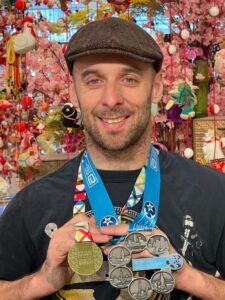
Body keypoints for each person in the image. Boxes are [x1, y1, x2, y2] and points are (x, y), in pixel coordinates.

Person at [0, 17, 225, 300]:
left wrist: (189, 278)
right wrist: (40, 281)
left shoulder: (215, 194)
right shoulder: (30, 205)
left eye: (129, 79)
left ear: (155, 88)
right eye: (93, 80)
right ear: (73, 91)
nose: (111, 99)